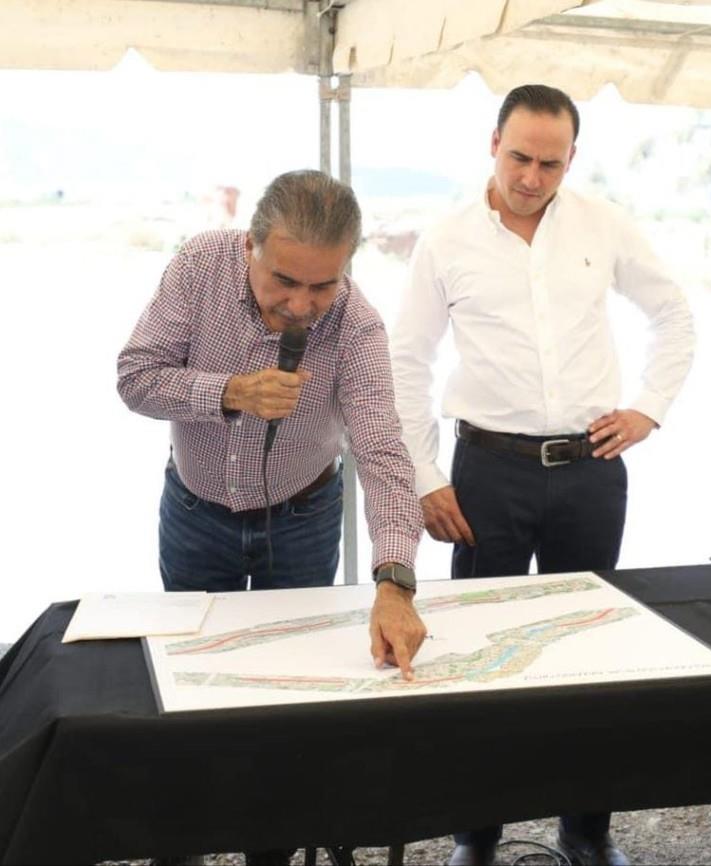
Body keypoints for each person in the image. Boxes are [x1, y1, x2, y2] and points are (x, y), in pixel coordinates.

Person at [390, 84, 695, 866]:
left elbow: (674, 315)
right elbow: (407, 361)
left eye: (549, 163)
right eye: (520, 157)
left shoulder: (603, 226)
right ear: (493, 144)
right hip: (487, 472)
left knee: (590, 658)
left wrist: (648, 409)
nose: (532, 176)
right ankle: (477, 836)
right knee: (478, 656)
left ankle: (586, 832)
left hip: (591, 471)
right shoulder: (447, 239)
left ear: (571, 159)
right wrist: (425, 475)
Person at [119, 170, 427, 866]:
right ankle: (183, 844)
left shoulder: (358, 322)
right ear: (251, 244)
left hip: (304, 518)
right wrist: (226, 390)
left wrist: (394, 583)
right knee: (193, 690)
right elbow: (135, 377)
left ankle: (272, 847)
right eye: (285, 280)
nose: (302, 304)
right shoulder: (200, 265)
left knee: (294, 698)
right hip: (196, 514)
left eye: (323, 286)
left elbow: (381, 449)